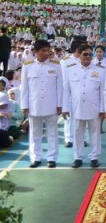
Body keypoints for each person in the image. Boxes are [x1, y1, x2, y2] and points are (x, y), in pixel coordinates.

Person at [21, 39, 63, 168]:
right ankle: (35, 157)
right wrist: (24, 105)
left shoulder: (56, 65)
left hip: (51, 104)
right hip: (34, 104)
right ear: (36, 52)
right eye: (43, 51)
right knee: (35, 133)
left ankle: (52, 158)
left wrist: (60, 103)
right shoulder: (27, 66)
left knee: (52, 132)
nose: (46, 53)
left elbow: (60, 86)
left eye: (48, 50)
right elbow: (25, 87)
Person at [62, 44, 105, 168]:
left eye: (90, 54)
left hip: (94, 107)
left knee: (95, 133)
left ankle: (94, 157)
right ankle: (77, 157)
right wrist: (65, 108)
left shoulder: (100, 70)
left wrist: (103, 109)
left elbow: (103, 92)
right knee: (78, 133)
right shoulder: (71, 69)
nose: (87, 57)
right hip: (77, 107)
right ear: (79, 55)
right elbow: (66, 91)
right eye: (85, 54)